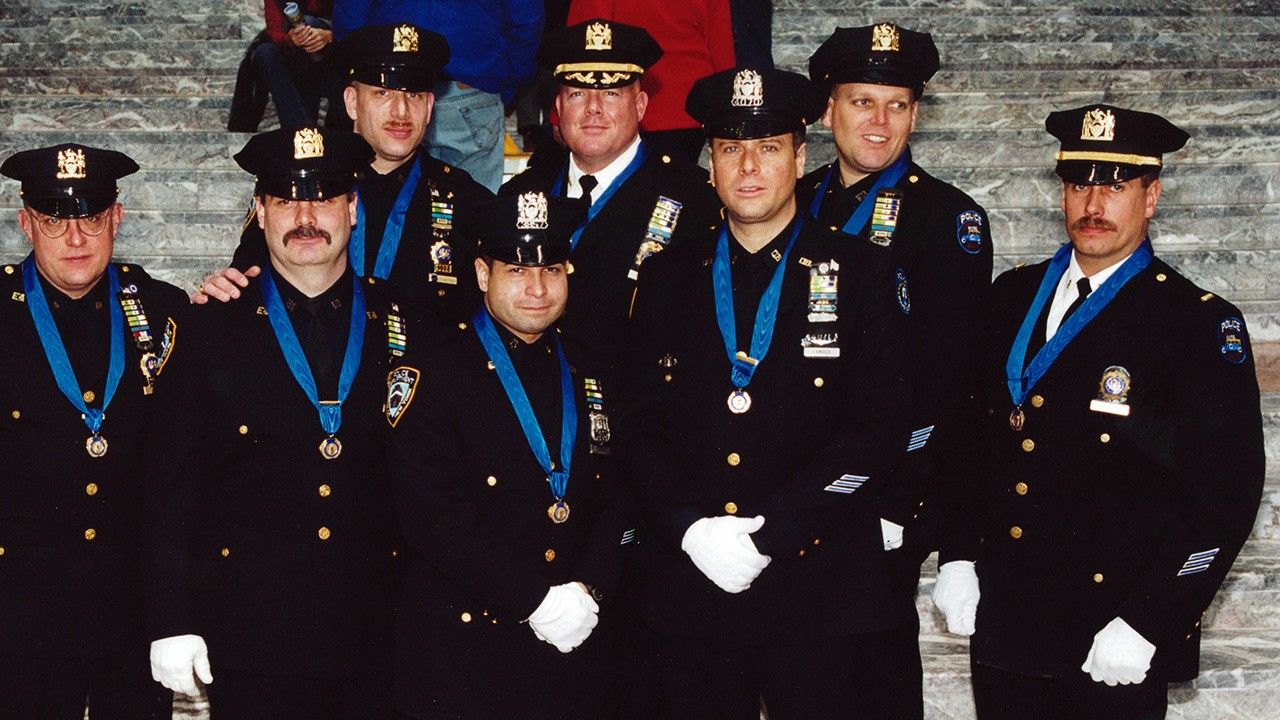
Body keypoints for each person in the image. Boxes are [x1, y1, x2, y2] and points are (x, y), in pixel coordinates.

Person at [932, 105, 1265, 720]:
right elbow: (968, 439)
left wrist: (1151, 622)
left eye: (1115, 187)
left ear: (1151, 196)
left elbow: (1226, 496)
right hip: (1007, 624)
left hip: (1111, 634)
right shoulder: (1011, 296)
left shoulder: (1194, 323)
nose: (1093, 204)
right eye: (1078, 184)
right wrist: (956, 553)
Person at [624, 66, 914, 719]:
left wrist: (770, 536)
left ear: (800, 158)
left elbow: (876, 432)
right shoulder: (667, 276)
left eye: (769, 147)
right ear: (711, 164)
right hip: (692, 587)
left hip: (820, 588)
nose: (749, 166)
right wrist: (689, 528)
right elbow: (636, 425)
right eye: (731, 148)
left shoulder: (865, 274)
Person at [149, 127, 410, 719]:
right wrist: (171, 619)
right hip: (250, 636)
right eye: (287, 200)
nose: (306, 217)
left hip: (379, 632)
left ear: (352, 208)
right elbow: (169, 487)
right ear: (261, 213)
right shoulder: (207, 327)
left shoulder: (406, 321)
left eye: (324, 198)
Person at [803, 23, 994, 716]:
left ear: (915, 115)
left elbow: (952, 380)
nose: (879, 122)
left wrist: (901, 500)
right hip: (787, 483)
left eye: (897, 105)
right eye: (862, 102)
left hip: (879, 493)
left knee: (872, 683)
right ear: (829, 110)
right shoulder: (790, 200)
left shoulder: (947, 219)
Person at [388, 191, 625, 719]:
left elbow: (616, 497)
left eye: (551, 270)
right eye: (517, 270)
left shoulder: (593, 368)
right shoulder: (434, 371)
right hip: (469, 655)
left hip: (578, 644)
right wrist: (535, 601)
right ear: (481, 273)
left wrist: (591, 589)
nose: (538, 289)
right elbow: (432, 516)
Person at [0, 144, 188, 719]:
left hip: (130, 613)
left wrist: (174, 614)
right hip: (19, 615)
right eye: (54, 220)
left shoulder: (162, 310)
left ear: (117, 217)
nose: (76, 238)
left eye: (91, 217)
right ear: (25, 223)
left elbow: (178, 476)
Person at [203, 23, 493, 333]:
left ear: (430, 106)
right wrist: (225, 287)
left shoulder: (467, 201)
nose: (401, 111)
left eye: (414, 95)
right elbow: (247, 277)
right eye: (382, 93)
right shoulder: (299, 188)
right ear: (352, 102)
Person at [502, 18, 721, 384]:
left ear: (641, 105)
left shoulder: (694, 201)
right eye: (577, 93)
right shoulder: (520, 194)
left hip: (640, 402)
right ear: (558, 106)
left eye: (611, 94)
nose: (593, 108)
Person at [334, 0, 544, 192]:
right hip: (471, 81)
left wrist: (365, 74)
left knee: (383, 197)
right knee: (476, 208)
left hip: (386, 85)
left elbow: (350, 20)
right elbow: (526, 18)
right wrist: (506, 80)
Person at [567, 0, 737, 164]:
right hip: (688, 105)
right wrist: (730, 107)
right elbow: (720, 42)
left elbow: (586, 35)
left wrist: (561, 112)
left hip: (619, 104)